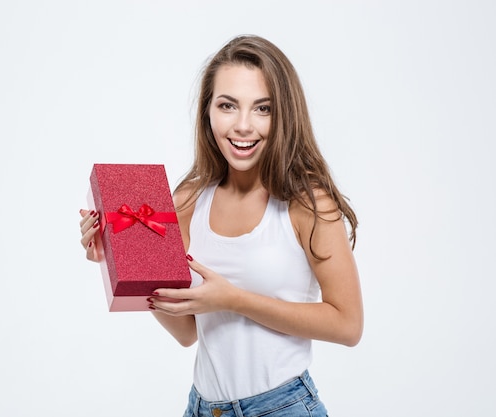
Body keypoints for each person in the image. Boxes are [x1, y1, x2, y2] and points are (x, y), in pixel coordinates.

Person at [80, 34, 363, 417]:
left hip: (282, 407)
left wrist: (235, 300)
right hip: (202, 407)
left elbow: (348, 325)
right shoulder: (188, 201)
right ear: (208, 112)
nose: (244, 126)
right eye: (228, 105)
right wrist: (114, 257)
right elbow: (186, 332)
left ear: (284, 116)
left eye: (263, 109)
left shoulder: (306, 203)